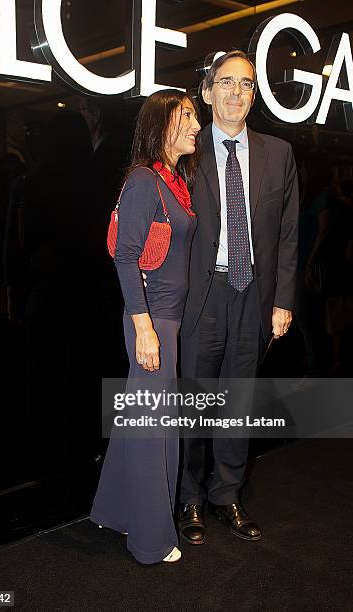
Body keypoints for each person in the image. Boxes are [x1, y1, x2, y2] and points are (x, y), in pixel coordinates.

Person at [179, 51, 299, 545]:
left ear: (254, 94)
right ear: (207, 93)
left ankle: (225, 495)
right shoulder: (185, 152)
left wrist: (283, 300)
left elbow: (289, 234)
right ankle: (188, 497)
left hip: (255, 294)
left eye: (245, 84)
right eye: (225, 82)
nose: (235, 92)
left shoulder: (279, 154)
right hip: (201, 297)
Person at [90, 89, 201, 564]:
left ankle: (114, 510)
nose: (197, 126)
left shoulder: (171, 179)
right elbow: (125, 256)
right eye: (188, 117)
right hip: (151, 319)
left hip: (167, 320)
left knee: (144, 421)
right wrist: (144, 328)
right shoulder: (142, 181)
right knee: (154, 427)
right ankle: (150, 541)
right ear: (162, 127)